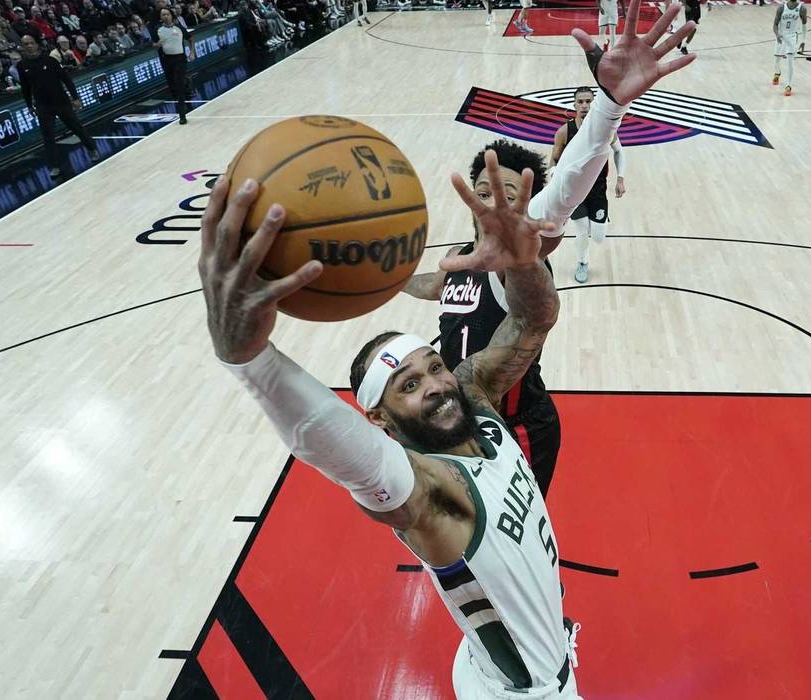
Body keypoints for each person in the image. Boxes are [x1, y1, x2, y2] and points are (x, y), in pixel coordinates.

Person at [198, 3, 694, 697]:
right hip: (526, 678)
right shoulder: (429, 484)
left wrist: (606, 112)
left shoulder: (487, 340)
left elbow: (546, 254)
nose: (432, 382)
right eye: (408, 385)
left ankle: (523, 602)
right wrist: (265, 349)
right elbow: (346, 444)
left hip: (518, 418)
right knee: (488, 545)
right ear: (380, 418)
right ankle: (520, 612)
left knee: (513, 542)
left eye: (430, 368)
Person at [400, 140, 566, 498]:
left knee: (515, 523)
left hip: (515, 425)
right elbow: (434, 286)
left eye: (506, 196)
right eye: (483, 193)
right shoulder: (459, 255)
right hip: (456, 416)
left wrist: (524, 262)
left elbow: (538, 312)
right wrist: (390, 279)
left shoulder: (519, 270)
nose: (491, 204)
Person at [550, 86, 624, 284]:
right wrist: (553, 177)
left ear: (594, 104)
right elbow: (554, 160)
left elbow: (619, 151)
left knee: (598, 237)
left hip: (598, 190)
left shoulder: (605, 129)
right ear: (574, 105)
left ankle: (601, 219)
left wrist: (620, 178)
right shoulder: (565, 131)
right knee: (582, 230)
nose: (584, 105)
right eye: (580, 102)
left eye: (588, 101)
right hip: (575, 192)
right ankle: (582, 262)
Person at [17, 34, 100, 178]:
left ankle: (92, 149)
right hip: (43, 106)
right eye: (26, 44)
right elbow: (25, 88)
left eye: (31, 43)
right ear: (22, 47)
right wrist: (29, 105)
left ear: (36, 44)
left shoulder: (50, 60)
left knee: (77, 128)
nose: (29, 46)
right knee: (48, 136)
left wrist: (75, 97)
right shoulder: (22, 65)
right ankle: (55, 166)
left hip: (61, 101)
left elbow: (66, 79)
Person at [156, 8, 193, 123]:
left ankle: (182, 115)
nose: (165, 16)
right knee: (173, 86)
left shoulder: (179, 28)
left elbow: (191, 38)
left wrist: (192, 52)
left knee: (178, 84)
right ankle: (186, 84)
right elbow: (153, 44)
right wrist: (157, 44)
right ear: (160, 17)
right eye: (163, 15)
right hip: (167, 60)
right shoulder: (158, 30)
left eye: (167, 14)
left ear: (171, 16)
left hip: (180, 59)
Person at [773, 0, 806, 96]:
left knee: (790, 61)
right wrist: (777, 34)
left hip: (792, 36)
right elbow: (775, 24)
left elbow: (804, 25)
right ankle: (777, 73)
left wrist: (803, 40)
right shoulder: (781, 8)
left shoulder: (802, 8)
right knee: (777, 59)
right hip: (781, 35)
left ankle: (789, 85)